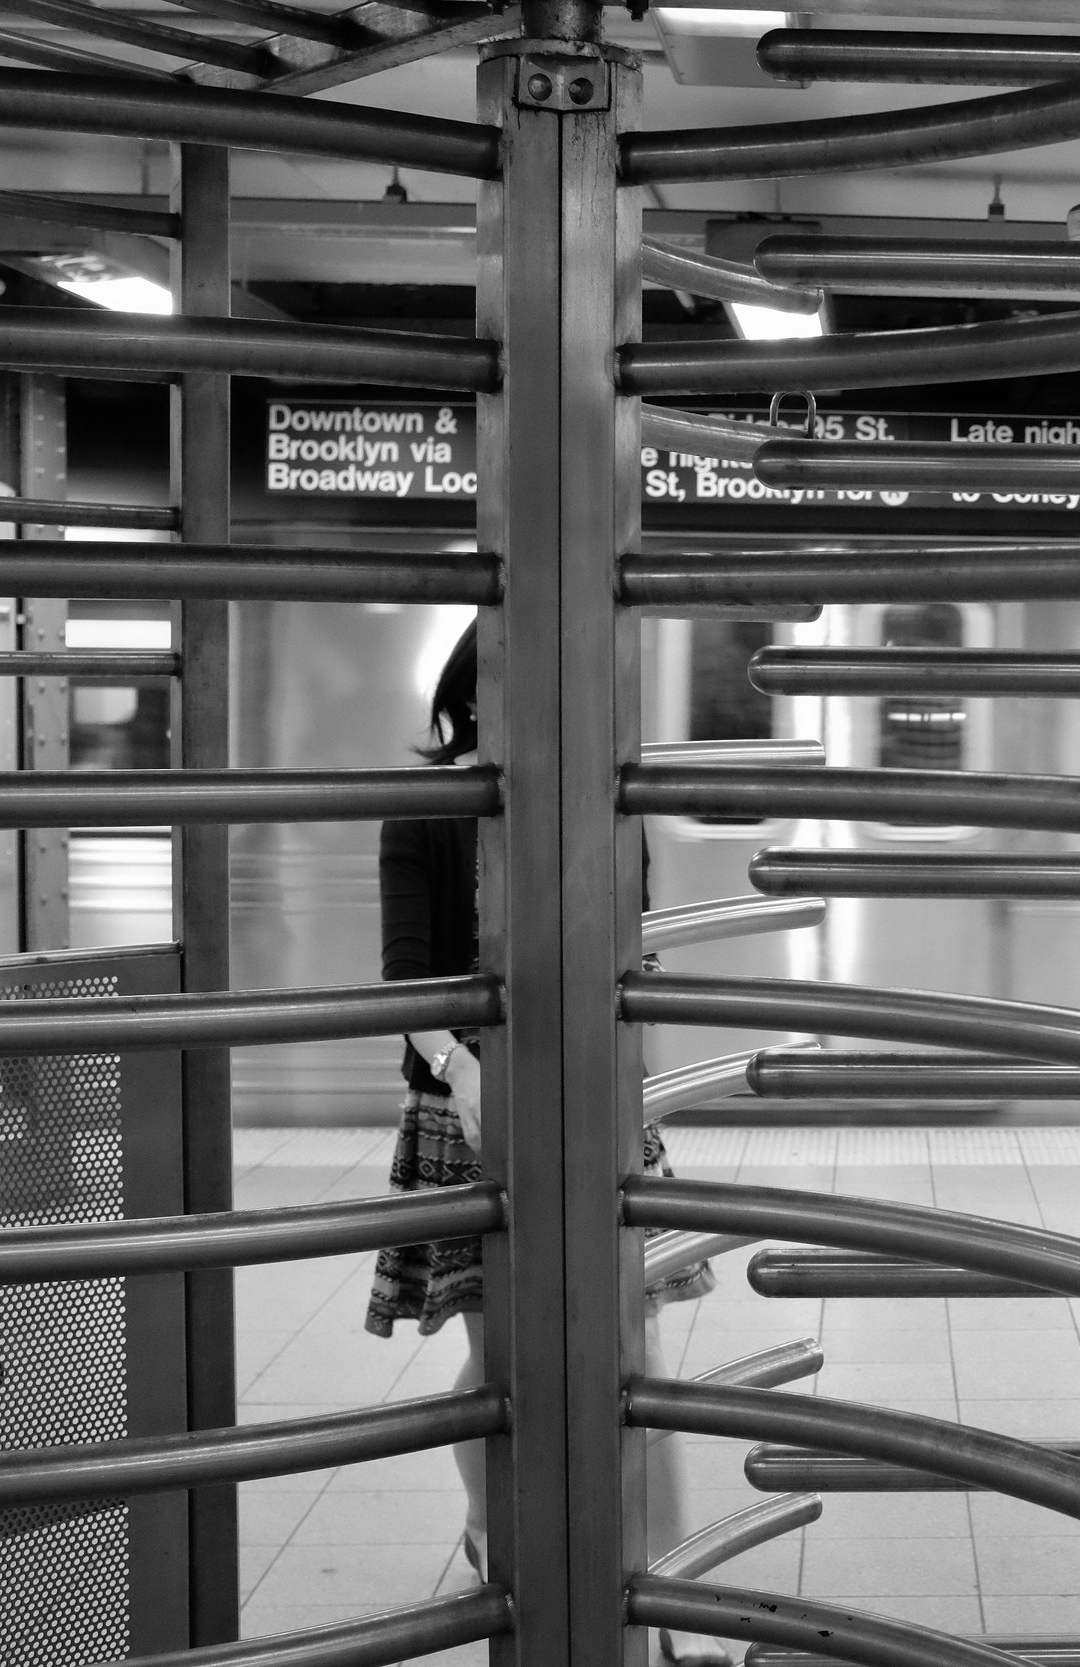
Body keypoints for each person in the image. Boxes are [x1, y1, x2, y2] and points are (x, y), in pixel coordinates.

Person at [366, 624, 719, 1663]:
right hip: (464, 1107)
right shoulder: (426, 812)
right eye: (522, 684)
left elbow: (630, 959)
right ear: (471, 700)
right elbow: (406, 975)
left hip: (593, 1098)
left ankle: (665, 1600)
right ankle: (497, 1542)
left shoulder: (610, 802)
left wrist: (633, 1099)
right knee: (502, 1359)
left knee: (634, 1354)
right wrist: (464, 1069)